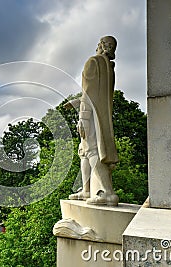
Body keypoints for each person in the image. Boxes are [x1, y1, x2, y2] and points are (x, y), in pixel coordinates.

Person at [64, 36, 119, 206]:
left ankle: (107, 192)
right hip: (101, 117)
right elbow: (97, 96)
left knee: (92, 151)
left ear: (100, 46)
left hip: (91, 118)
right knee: (84, 151)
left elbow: (88, 93)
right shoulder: (109, 68)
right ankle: (86, 189)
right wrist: (77, 102)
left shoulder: (93, 62)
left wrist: (83, 117)